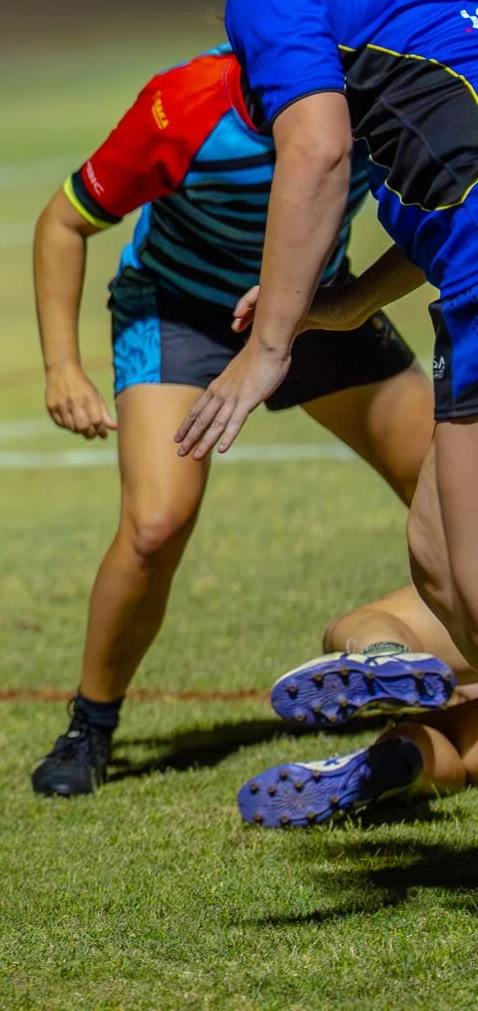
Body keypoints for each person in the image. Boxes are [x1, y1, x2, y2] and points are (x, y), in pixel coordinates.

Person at [163, 0, 478, 822]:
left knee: (470, 579)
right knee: (441, 554)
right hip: (468, 272)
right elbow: (451, 168)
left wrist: (265, 354)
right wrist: (349, 301)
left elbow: (318, 153)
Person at [29, 43, 451, 796]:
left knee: (454, 490)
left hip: (317, 305)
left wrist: (348, 305)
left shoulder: (377, 98)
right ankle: (90, 724)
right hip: (181, 314)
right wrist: (62, 364)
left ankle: (448, 664)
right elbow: (63, 221)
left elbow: (439, 223)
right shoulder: (185, 107)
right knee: (156, 523)